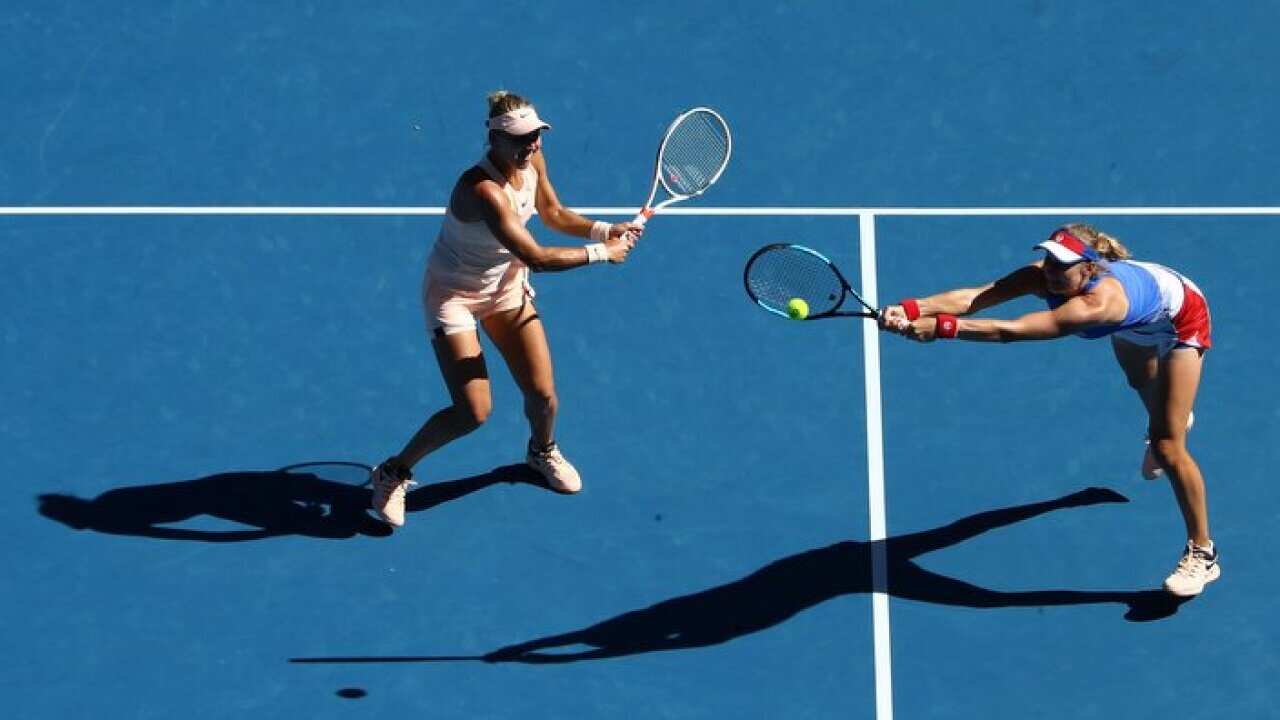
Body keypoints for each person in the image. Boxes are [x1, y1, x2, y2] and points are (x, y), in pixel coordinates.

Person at [878, 223, 1218, 597]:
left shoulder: (1098, 306)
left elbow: (1010, 331)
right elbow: (976, 297)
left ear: (1089, 267)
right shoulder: (1045, 276)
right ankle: (1172, 415)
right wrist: (911, 308)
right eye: (1050, 259)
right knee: (1139, 379)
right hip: (1141, 316)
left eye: (1063, 265)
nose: (1052, 271)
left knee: (1168, 446)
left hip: (1179, 321)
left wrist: (941, 329)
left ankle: (1203, 553)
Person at [369, 90, 642, 528]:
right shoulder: (483, 191)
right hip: (454, 296)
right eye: (520, 138)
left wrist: (605, 229)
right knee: (473, 412)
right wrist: (601, 254)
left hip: (504, 287)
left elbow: (553, 213)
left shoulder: (533, 160)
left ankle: (541, 452)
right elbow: (536, 256)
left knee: (543, 396)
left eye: (536, 135)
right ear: (493, 138)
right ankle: (392, 472)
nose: (531, 144)